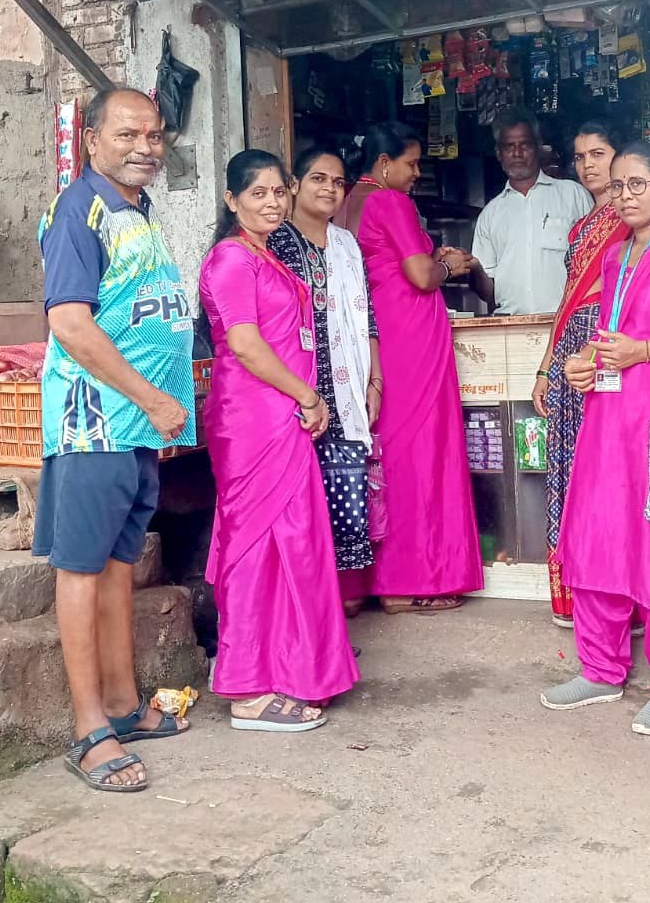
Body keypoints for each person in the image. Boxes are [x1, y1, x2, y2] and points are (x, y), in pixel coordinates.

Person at [35, 88, 195, 793]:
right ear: (92, 140)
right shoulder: (79, 211)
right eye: (127, 133)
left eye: (154, 135)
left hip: (135, 428)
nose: (144, 147)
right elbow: (70, 323)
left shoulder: (138, 210)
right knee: (82, 567)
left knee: (119, 565)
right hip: (94, 422)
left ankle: (125, 706)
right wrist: (153, 398)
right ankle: (89, 730)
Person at [541, 142, 650, 735]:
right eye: (617, 186)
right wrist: (584, 361)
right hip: (608, 412)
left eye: (637, 184)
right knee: (598, 530)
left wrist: (645, 351)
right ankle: (600, 667)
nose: (625, 196)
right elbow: (610, 335)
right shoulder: (614, 256)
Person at [199, 150, 359, 731]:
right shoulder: (231, 259)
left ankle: (292, 668)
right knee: (254, 546)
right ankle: (248, 689)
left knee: (293, 542)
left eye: (277, 192)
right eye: (257, 193)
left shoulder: (266, 254)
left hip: (281, 414)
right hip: (252, 419)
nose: (272, 203)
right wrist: (308, 396)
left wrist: (303, 400)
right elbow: (245, 344)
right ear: (232, 199)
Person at [336, 123, 483, 613]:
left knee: (382, 454)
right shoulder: (390, 201)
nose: (417, 173)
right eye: (412, 163)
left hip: (375, 334)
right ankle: (409, 581)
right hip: (409, 335)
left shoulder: (345, 202)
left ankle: (371, 580)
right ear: (384, 164)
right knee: (420, 453)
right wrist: (449, 267)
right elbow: (420, 276)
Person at [270, 144, 382, 617]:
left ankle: (329, 619)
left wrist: (375, 381)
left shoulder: (346, 245)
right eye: (319, 178)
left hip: (347, 391)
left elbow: (368, 318)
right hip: (297, 393)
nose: (331, 189)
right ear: (294, 185)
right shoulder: (277, 242)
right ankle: (305, 618)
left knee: (342, 504)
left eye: (338, 182)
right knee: (300, 509)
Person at [531, 122, 625, 626]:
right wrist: (546, 367)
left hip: (608, 349)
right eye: (580, 156)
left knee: (606, 468)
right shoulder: (581, 228)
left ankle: (617, 598)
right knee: (569, 468)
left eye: (598, 153)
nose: (588, 164)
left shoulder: (630, 219)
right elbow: (565, 300)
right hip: (571, 349)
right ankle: (575, 595)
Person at [469, 109, 592, 316]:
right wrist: (473, 269)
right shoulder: (490, 215)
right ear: (499, 153)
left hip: (566, 322)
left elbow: (596, 262)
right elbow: (489, 292)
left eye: (524, 144)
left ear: (538, 147)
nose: (517, 153)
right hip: (511, 325)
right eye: (509, 146)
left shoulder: (573, 196)